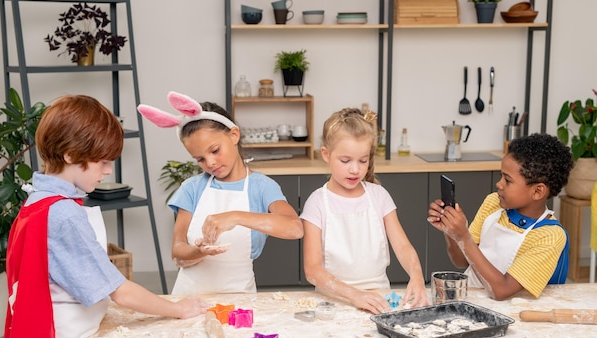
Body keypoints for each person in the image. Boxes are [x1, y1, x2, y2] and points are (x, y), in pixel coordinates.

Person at [1, 95, 208, 338]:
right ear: (71, 155)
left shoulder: (35, 201)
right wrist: (178, 308)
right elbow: (120, 291)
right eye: (101, 161)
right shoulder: (62, 215)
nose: (108, 171)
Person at [138, 92, 303, 295]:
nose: (210, 163)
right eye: (200, 159)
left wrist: (236, 217)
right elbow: (178, 253)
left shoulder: (262, 187)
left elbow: (295, 228)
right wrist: (199, 252)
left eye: (215, 150)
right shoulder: (192, 188)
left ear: (234, 135)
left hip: (239, 297)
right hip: (189, 297)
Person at [300, 107, 428, 314]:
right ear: (326, 154)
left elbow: (403, 247)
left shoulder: (379, 196)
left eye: (363, 160)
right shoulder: (317, 203)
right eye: (345, 160)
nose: (355, 169)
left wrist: (417, 276)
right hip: (333, 302)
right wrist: (354, 295)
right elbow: (312, 270)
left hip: (380, 299)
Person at [427, 133, 573, 300]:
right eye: (501, 176)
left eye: (507, 180)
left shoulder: (549, 236)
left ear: (537, 191)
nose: (499, 184)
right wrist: (451, 232)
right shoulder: (493, 203)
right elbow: (461, 261)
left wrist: (464, 237)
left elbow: (502, 290)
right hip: (474, 301)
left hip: (514, 313)